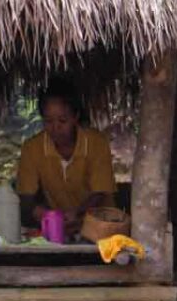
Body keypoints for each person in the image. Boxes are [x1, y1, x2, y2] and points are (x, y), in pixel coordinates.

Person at [16, 80, 115, 235]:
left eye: (63, 121)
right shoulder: (32, 149)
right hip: (58, 231)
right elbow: (26, 197)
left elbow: (100, 192)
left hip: (100, 230)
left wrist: (78, 213)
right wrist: (44, 214)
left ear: (75, 117)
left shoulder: (97, 143)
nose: (55, 128)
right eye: (48, 121)